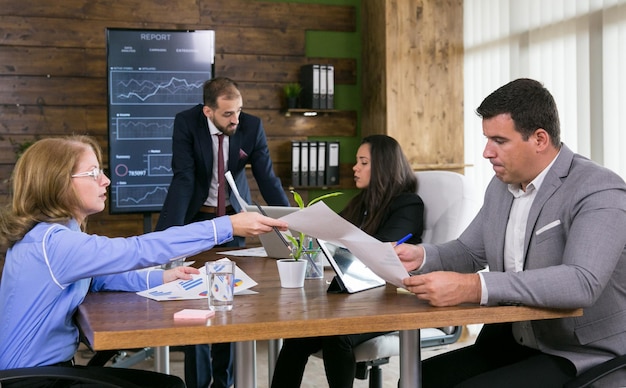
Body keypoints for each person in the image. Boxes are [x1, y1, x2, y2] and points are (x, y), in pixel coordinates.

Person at [0, 136, 288, 387]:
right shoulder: (54, 243)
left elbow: (99, 277)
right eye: (92, 173)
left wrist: (161, 278)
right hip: (36, 380)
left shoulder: (51, 235)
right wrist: (227, 226)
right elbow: (136, 250)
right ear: (58, 182)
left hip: (40, 373)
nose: (106, 180)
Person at [396, 78, 626, 387]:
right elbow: (468, 251)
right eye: (486, 139)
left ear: (540, 139)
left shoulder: (599, 189)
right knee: (416, 379)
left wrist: (473, 287)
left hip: (582, 351)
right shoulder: (501, 186)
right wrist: (421, 256)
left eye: (499, 140)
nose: (486, 152)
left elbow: (581, 281)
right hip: (518, 336)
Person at [155, 76, 289, 388]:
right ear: (207, 111)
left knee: (231, 302)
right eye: (228, 114)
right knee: (195, 303)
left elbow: (267, 178)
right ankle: (198, 384)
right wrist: (163, 240)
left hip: (234, 221)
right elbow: (184, 178)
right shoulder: (186, 124)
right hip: (196, 221)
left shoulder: (251, 127)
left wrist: (289, 221)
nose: (235, 119)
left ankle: (224, 382)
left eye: (239, 111)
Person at [270, 134, 424, 388]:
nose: (355, 168)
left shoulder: (408, 204)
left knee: (337, 334)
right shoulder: (361, 202)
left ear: (383, 166)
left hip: (388, 297)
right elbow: (333, 234)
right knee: (297, 335)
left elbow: (381, 249)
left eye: (363, 162)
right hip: (356, 293)